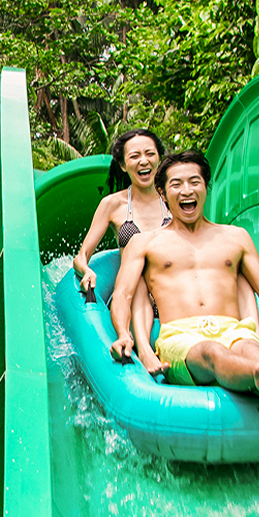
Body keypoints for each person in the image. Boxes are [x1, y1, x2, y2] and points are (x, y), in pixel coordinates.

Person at [108, 151, 259, 417]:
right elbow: (123, 295)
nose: (187, 190)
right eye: (176, 184)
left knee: (249, 346)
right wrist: (124, 336)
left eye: (194, 182)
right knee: (212, 352)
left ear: (205, 188)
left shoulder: (236, 237)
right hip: (181, 336)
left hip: (234, 328)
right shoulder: (145, 242)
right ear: (162, 193)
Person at [72, 129, 172, 374]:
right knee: (136, 273)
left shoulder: (174, 198)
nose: (143, 161)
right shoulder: (114, 205)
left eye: (150, 154)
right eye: (135, 156)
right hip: (134, 293)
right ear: (124, 165)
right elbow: (82, 255)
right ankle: (133, 343)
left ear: (159, 158)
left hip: (171, 289)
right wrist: (86, 271)